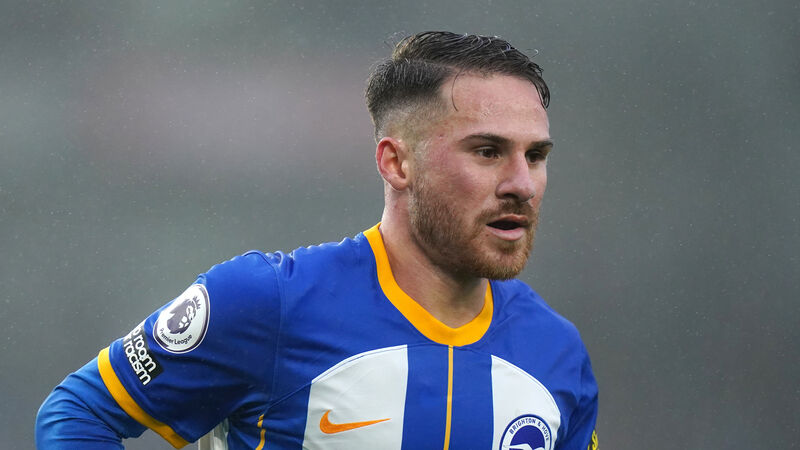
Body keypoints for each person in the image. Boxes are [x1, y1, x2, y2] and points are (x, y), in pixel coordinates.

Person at [36, 31, 599, 450]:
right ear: (397, 163)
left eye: (536, 155)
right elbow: (79, 414)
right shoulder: (267, 302)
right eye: (487, 151)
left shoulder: (558, 354)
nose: (522, 184)